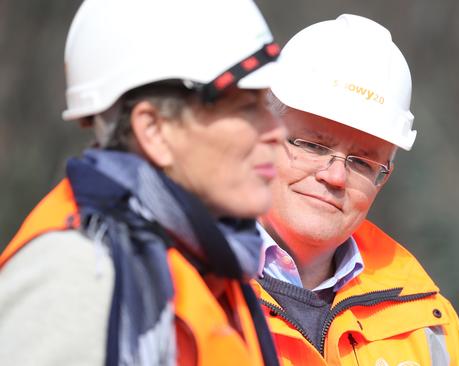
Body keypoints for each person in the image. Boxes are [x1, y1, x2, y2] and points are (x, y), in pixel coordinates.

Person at [0, 0, 286, 365]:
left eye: (267, 104)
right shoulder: (78, 274)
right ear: (154, 130)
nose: (277, 130)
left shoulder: (213, 257)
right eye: (246, 107)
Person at [253, 14, 459, 365]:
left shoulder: (429, 325)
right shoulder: (184, 288)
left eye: (361, 162)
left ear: (383, 177)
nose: (335, 176)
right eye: (312, 145)